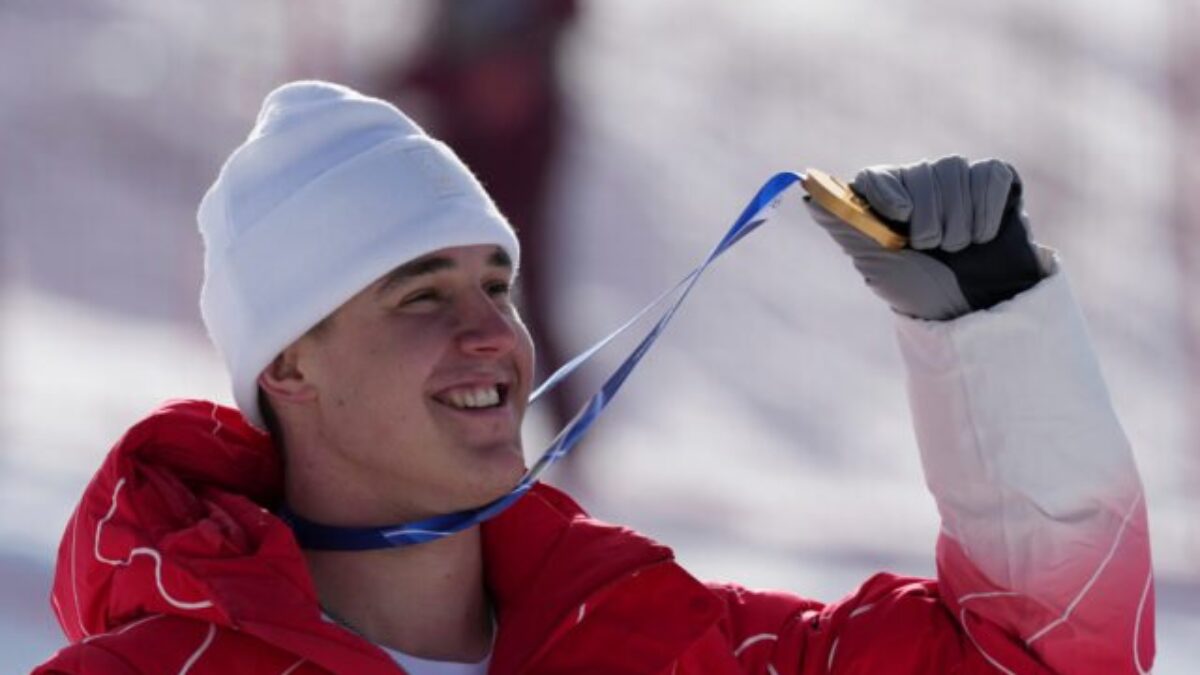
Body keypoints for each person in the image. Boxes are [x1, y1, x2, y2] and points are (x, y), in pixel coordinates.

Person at [33, 81, 1153, 674]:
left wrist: (991, 332)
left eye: (497, 287)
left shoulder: (677, 649)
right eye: (421, 295)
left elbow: (1046, 666)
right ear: (289, 363)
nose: (492, 338)